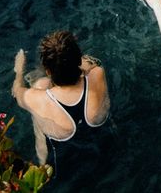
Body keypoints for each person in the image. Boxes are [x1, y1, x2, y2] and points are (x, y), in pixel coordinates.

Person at [12, 31, 109, 177]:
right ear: (78, 60)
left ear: (48, 71)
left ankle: (41, 165)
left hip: (65, 166)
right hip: (106, 148)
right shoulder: (97, 74)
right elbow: (89, 63)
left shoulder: (35, 99)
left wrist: (19, 69)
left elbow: (16, 91)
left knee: (39, 84)